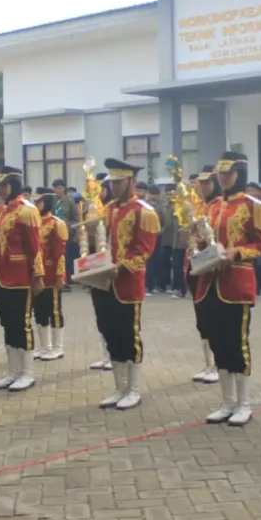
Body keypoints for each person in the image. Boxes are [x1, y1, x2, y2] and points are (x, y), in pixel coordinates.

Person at [197, 152, 261, 427]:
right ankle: (227, 402)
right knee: (218, 343)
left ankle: (244, 403)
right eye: (221, 174)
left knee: (237, 343)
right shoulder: (212, 206)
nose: (224, 179)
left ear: (240, 174)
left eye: (229, 174)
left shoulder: (254, 205)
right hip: (209, 282)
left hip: (236, 282)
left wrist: (237, 252)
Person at [97, 158, 160, 410]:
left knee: (129, 335)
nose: (113, 186)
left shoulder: (144, 211)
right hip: (104, 282)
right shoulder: (108, 209)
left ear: (132, 181)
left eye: (119, 181)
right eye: (111, 181)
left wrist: (120, 267)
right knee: (110, 333)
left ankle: (133, 389)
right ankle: (119, 387)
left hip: (127, 282)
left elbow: (144, 251)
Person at [0, 167, 45, 392]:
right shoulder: (1, 210)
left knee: (21, 324)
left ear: (14, 186)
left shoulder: (26, 210)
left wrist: (38, 275)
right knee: (8, 324)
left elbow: (34, 246)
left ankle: (27, 373)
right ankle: (13, 371)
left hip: (20, 276)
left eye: (3, 185)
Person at [188, 165, 222, 384]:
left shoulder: (221, 206)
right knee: (202, 319)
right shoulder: (197, 206)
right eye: (201, 183)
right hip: (196, 266)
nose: (204, 187)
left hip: (216, 267)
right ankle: (209, 364)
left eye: (208, 182)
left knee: (216, 317)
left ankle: (220, 363)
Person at [32, 187, 68, 361]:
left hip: (52, 274)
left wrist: (60, 276)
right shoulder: (34, 222)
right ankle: (44, 346)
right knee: (39, 311)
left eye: (38, 201)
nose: (36, 205)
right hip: (37, 274)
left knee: (54, 310)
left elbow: (60, 253)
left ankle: (58, 347)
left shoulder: (56, 223)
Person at [88, 172, 116, 371]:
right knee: (101, 314)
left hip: (113, 266)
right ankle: (105, 353)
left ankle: (114, 354)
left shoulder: (114, 210)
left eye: (102, 188)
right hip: (96, 265)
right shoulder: (95, 209)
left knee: (114, 313)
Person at [52, 179, 79, 293]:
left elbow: (75, 219)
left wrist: (67, 226)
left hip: (65, 234)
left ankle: (66, 282)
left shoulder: (70, 202)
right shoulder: (51, 201)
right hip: (52, 233)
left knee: (65, 259)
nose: (57, 190)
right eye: (55, 188)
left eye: (59, 187)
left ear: (64, 189)